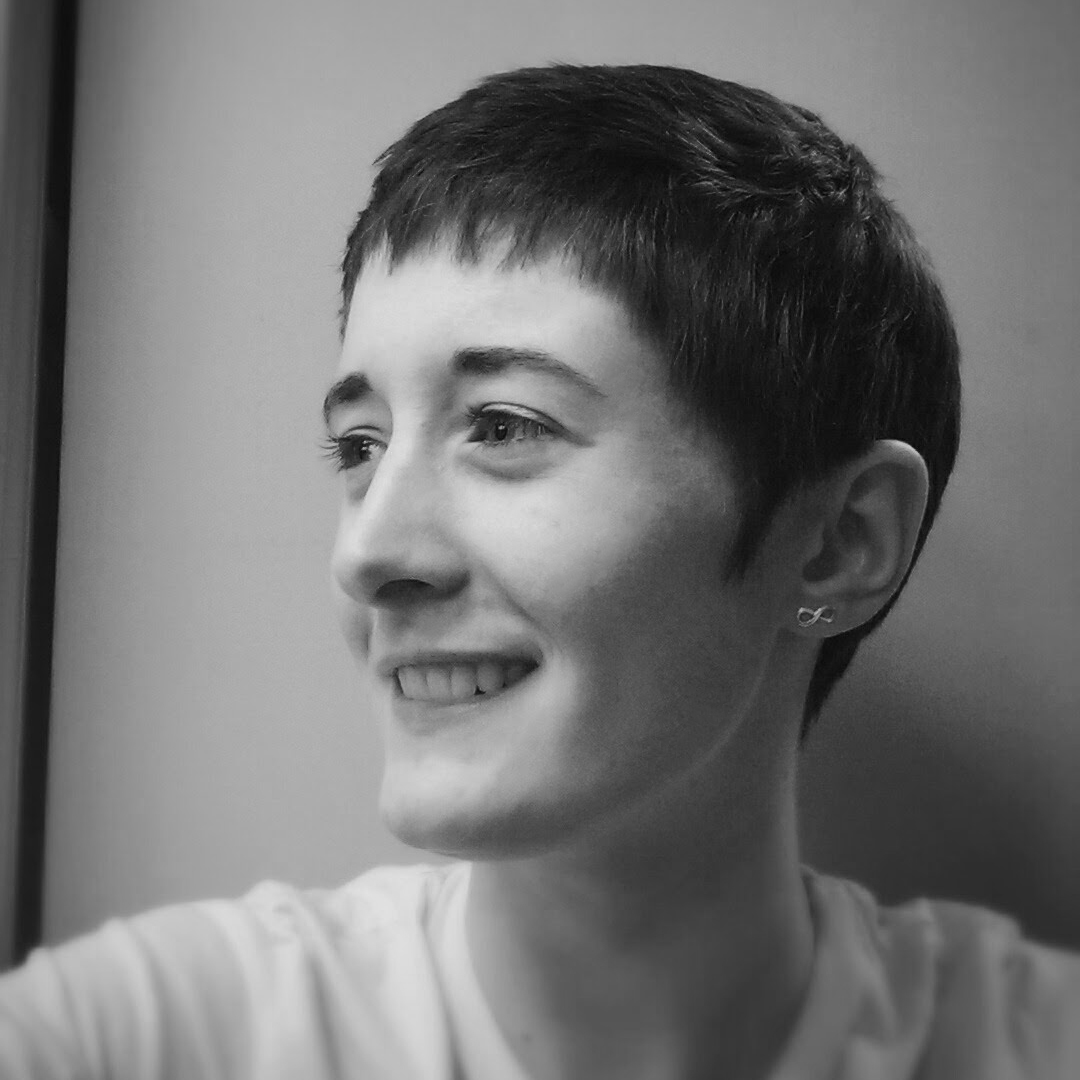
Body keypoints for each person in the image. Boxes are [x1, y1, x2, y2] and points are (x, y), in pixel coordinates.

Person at [2, 62, 1078, 1080]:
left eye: (506, 426)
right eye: (360, 446)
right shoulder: (143, 1036)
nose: (369, 553)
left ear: (841, 541)